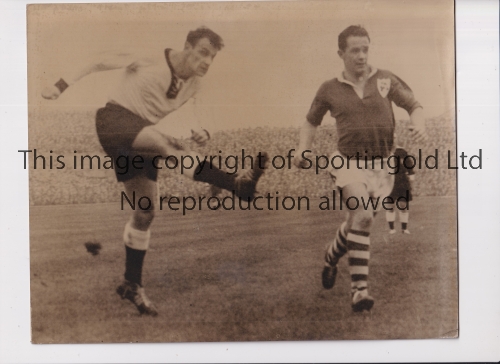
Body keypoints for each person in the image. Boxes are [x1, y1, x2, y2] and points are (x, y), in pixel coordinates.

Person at [42, 26, 268, 316]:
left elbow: (197, 111)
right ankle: (236, 184)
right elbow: (99, 59)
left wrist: (201, 130)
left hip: (140, 137)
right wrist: (60, 86)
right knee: (166, 145)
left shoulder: (196, 83)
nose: (207, 62)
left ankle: (131, 283)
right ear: (186, 47)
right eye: (202, 53)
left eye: (212, 57)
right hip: (115, 120)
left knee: (146, 211)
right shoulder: (149, 56)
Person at [294, 25, 426, 312]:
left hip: (383, 166)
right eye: (355, 50)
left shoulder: (385, 79)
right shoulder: (329, 89)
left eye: (365, 49)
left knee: (358, 221)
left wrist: (418, 123)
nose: (361, 55)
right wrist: (303, 149)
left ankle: (330, 256)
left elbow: (414, 105)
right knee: (364, 215)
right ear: (341, 53)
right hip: (347, 163)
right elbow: (310, 122)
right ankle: (359, 292)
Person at [385, 146, 415, 235]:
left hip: (403, 183)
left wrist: (411, 185)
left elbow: (411, 171)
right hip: (390, 182)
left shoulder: (405, 155)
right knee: (390, 206)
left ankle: (404, 229)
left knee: (403, 205)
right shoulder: (386, 154)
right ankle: (392, 229)